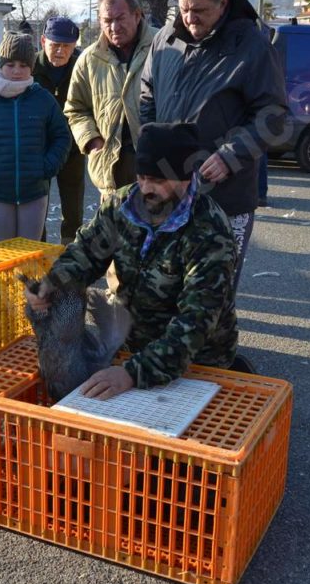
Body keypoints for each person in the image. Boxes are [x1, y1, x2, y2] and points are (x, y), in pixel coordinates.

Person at [24, 122, 239, 400]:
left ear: (186, 178)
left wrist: (133, 373)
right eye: (142, 177)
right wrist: (53, 284)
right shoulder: (121, 206)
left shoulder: (210, 233)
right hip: (130, 345)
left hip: (196, 359)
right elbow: (85, 253)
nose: (147, 188)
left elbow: (195, 322)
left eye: (159, 181)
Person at [140, 0, 287, 289]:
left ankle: (215, 341)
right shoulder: (165, 39)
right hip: (170, 194)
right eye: (184, 9)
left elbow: (274, 114)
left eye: (199, 11)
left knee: (213, 294)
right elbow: (147, 92)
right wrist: (152, 149)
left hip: (225, 197)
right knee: (166, 287)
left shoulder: (252, 44)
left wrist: (231, 155)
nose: (190, 19)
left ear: (222, 2)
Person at [0, 31, 71, 242]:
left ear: (31, 66)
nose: (17, 71)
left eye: (23, 65)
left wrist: (47, 167)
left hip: (35, 191)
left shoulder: (43, 99)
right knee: (3, 254)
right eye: (10, 64)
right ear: (0, 64)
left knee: (29, 256)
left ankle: (29, 278)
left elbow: (62, 137)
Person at [64, 0, 158, 201]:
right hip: (110, 169)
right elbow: (75, 108)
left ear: (137, 15)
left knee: (155, 231)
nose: (114, 27)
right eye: (107, 20)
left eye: (120, 18)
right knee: (114, 232)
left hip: (156, 167)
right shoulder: (89, 59)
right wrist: (91, 140)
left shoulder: (162, 46)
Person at [32, 16, 82, 244]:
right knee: (38, 202)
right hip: (38, 149)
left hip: (73, 148)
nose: (61, 51)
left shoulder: (82, 67)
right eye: (55, 45)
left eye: (67, 46)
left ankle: (69, 251)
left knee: (73, 204)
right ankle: (39, 251)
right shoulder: (30, 66)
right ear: (43, 41)